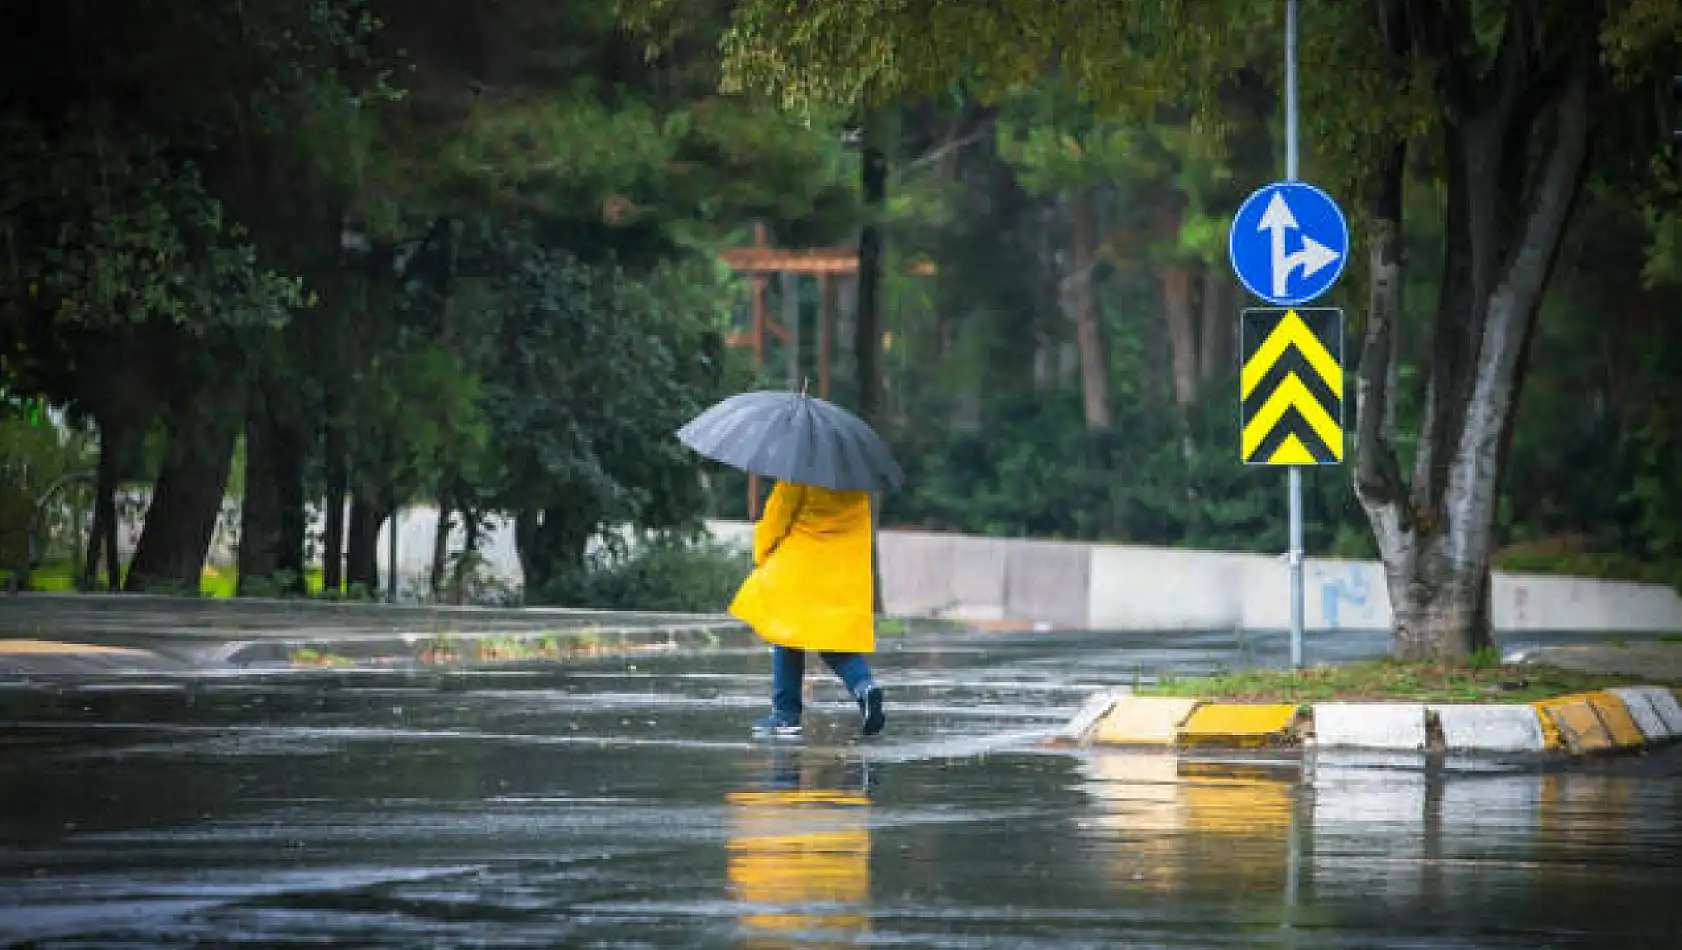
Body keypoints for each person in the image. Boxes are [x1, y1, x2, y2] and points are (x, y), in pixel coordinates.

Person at [729, 479, 885, 738]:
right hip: (843, 570)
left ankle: (785, 715)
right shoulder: (857, 481)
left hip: (802, 566)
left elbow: (778, 516)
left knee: (786, 636)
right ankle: (864, 687)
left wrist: (761, 553)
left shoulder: (801, 474)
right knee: (834, 643)